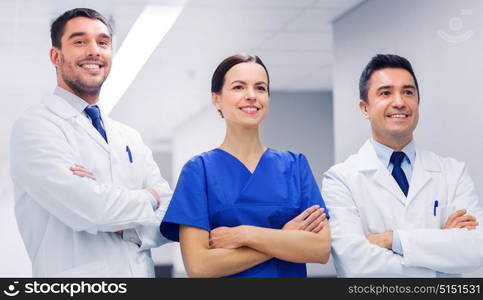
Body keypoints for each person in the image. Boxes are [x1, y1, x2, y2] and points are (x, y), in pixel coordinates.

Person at [10, 8, 172, 277]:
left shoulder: (129, 137)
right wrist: (148, 198)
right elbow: (92, 209)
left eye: (103, 42)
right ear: (55, 56)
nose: (94, 50)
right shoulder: (35, 128)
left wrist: (126, 224)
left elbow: (168, 215)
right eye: (79, 41)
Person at [160, 54, 331, 278]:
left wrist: (244, 235)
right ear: (216, 99)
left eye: (260, 88)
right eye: (239, 87)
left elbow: (320, 249)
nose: (251, 96)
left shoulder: (294, 166)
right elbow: (199, 267)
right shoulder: (199, 171)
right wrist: (284, 237)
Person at [322, 54, 483, 277]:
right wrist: (441, 261)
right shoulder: (341, 179)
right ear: (364, 108)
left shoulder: (452, 172)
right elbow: (355, 267)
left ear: (418, 103)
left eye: (408, 92)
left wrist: (392, 240)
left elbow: (476, 248)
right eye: (385, 93)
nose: (399, 102)